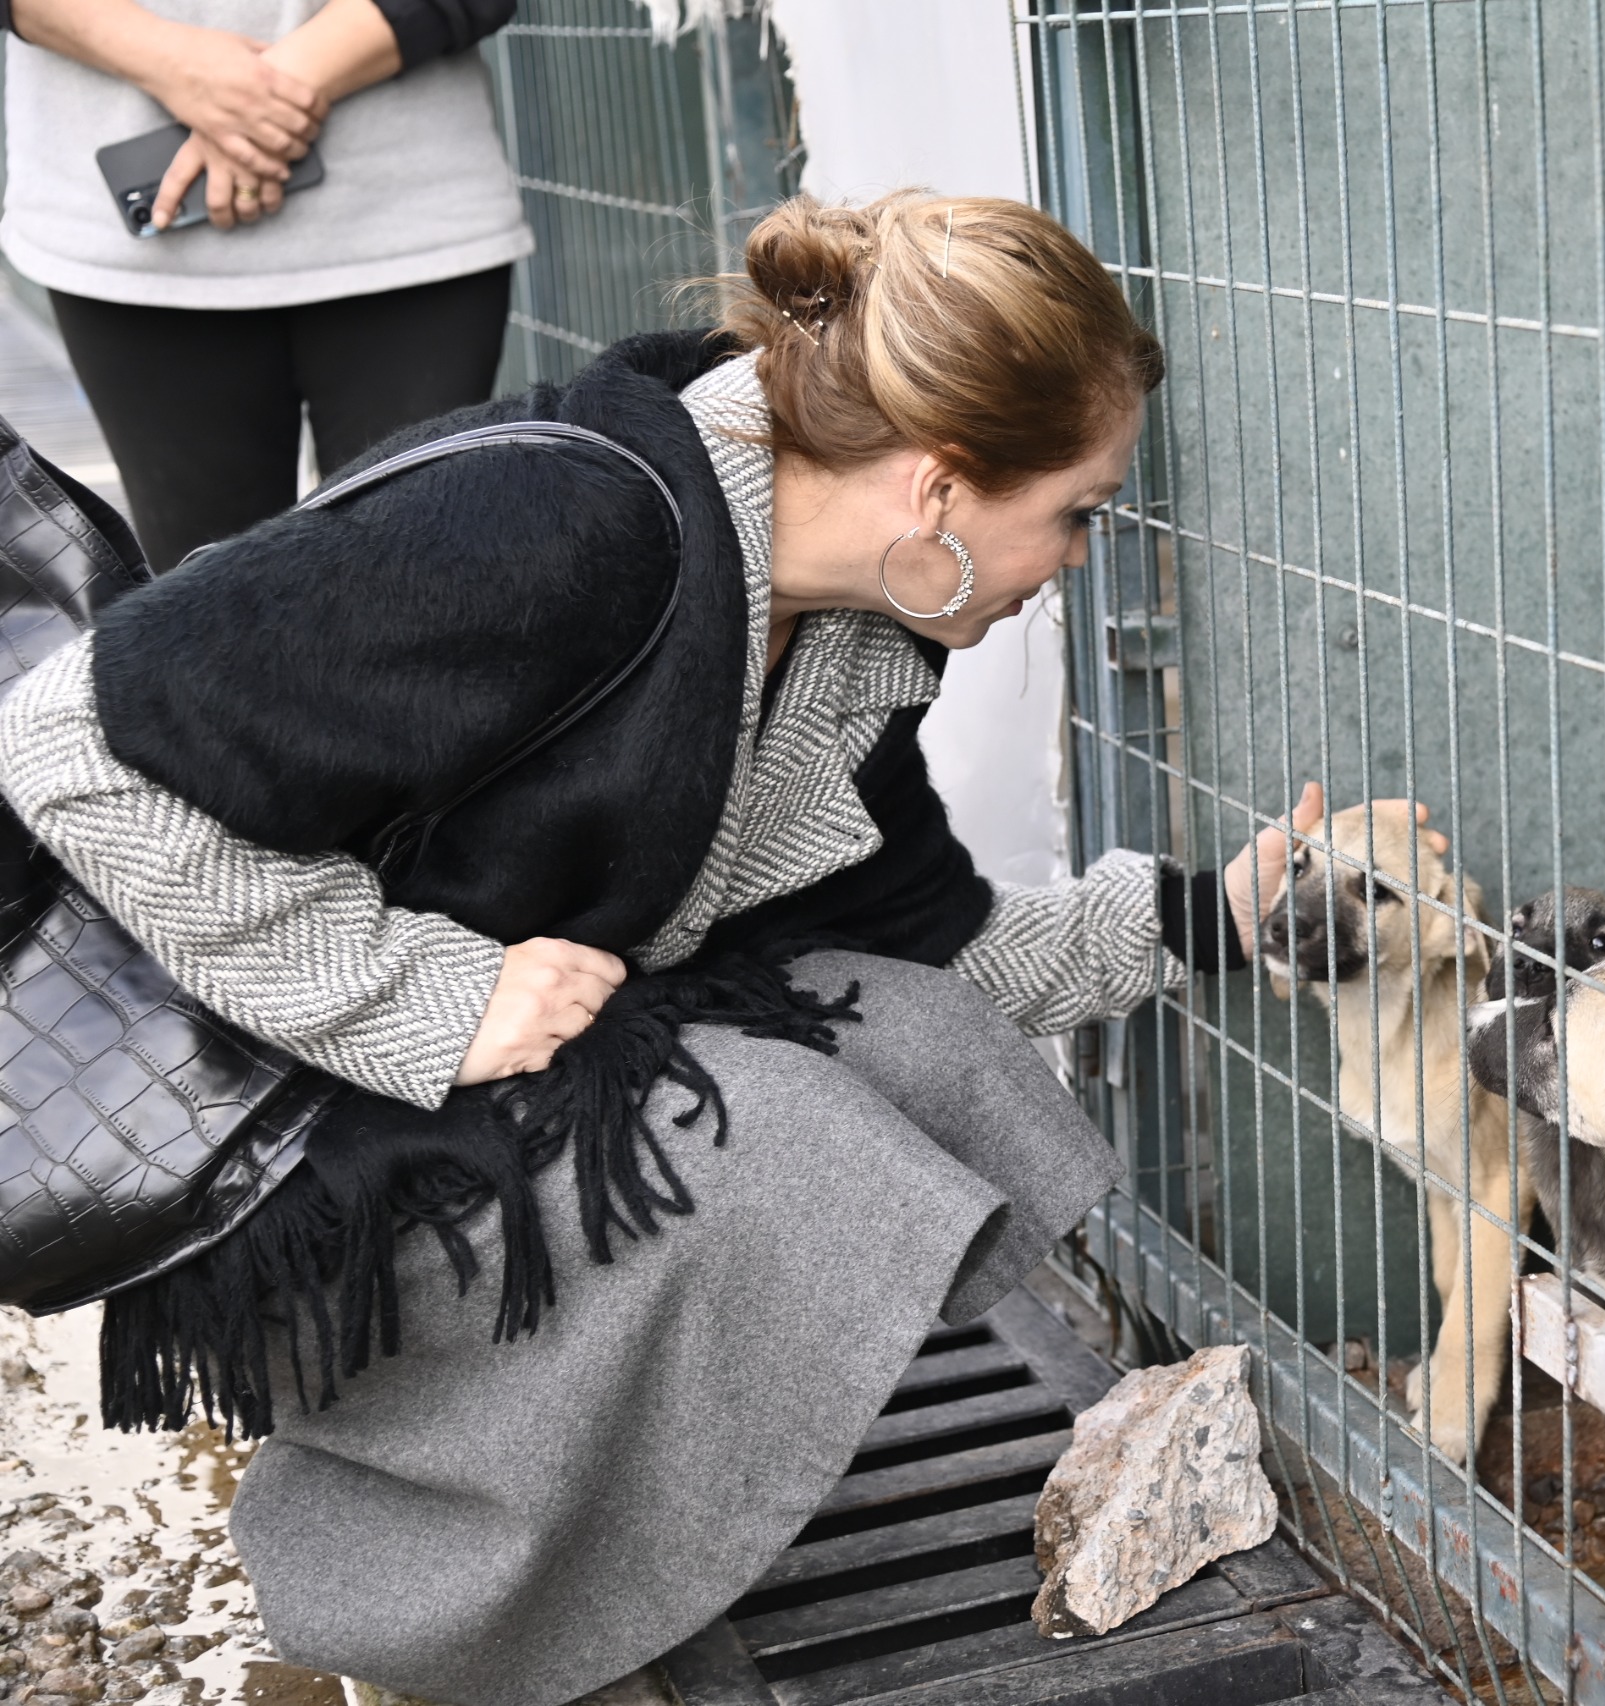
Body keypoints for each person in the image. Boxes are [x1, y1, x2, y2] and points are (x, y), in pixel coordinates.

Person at [0, 188, 1388, 1706]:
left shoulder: (846, 637)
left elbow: (935, 957)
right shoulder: (570, 525)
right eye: (1077, 508)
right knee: (777, 1141)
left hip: (461, 1065)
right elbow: (66, 750)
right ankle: (430, 1575)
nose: (1076, 553)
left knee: (914, 1048)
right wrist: (429, 994)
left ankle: (623, 1518)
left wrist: (1210, 915)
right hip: (287, 1112)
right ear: (938, 488)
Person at [0, 0, 527, 568]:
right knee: (205, 624)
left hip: (413, 227)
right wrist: (182, 67)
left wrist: (258, 92)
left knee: (428, 592)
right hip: (132, 248)